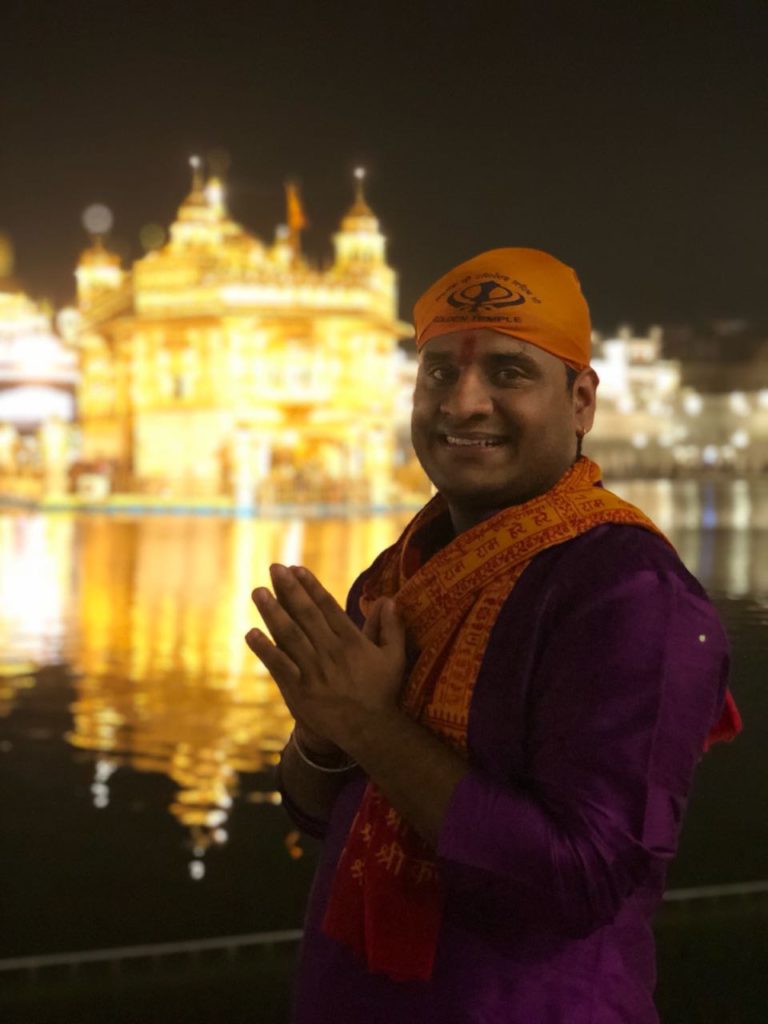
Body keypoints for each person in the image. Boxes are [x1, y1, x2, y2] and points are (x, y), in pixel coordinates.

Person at [245, 248, 741, 1024]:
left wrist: (371, 725)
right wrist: (325, 733)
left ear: (581, 401)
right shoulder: (401, 570)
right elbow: (320, 815)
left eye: (508, 373)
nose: (463, 403)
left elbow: (577, 884)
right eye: (439, 372)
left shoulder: (630, 593)